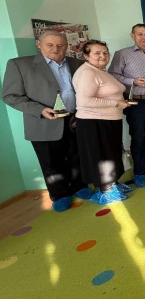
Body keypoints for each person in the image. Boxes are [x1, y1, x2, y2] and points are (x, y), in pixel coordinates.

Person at [3, 31, 86, 212]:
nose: (56, 49)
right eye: (50, 45)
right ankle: (60, 195)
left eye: (60, 45)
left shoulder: (77, 63)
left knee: (77, 156)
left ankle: (79, 186)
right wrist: (39, 110)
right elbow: (10, 96)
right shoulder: (20, 65)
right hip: (43, 121)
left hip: (75, 119)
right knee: (51, 162)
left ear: (66, 46)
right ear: (38, 44)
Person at [108, 23, 145, 187]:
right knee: (139, 137)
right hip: (136, 102)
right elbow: (112, 74)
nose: (144, 37)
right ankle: (140, 172)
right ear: (132, 36)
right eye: (140, 34)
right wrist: (132, 81)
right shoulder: (122, 54)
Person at [73, 40, 130, 204]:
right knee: (101, 157)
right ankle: (105, 191)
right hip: (94, 122)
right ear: (86, 56)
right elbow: (85, 101)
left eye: (105, 52)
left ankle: (113, 184)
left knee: (111, 154)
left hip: (109, 120)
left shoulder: (100, 71)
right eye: (97, 53)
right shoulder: (87, 73)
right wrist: (116, 103)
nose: (102, 56)